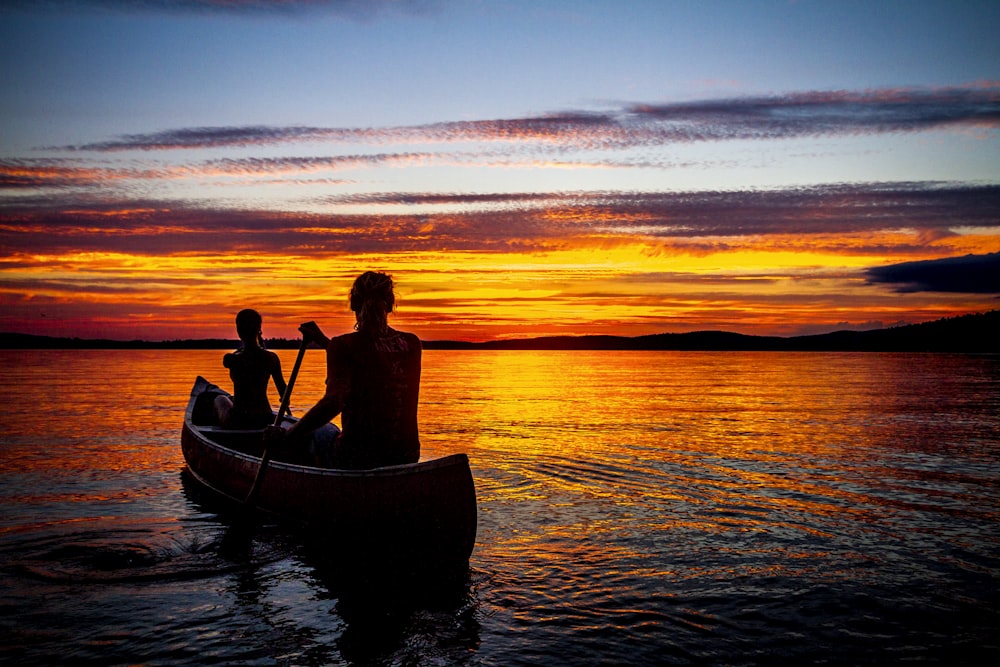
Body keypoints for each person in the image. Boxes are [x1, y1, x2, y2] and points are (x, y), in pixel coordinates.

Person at [266, 271, 421, 469]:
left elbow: (333, 402)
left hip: (356, 458)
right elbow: (371, 362)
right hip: (406, 456)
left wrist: (287, 435)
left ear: (353, 305)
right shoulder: (411, 344)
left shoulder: (344, 346)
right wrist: (324, 342)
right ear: (390, 304)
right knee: (325, 431)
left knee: (318, 433)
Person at [214, 309, 288, 429]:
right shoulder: (272, 358)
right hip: (265, 417)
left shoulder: (232, 359)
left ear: (238, 330)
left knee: (220, 399)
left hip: (239, 420)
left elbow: (242, 357)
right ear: (259, 328)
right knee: (230, 399)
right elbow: (284, 394)